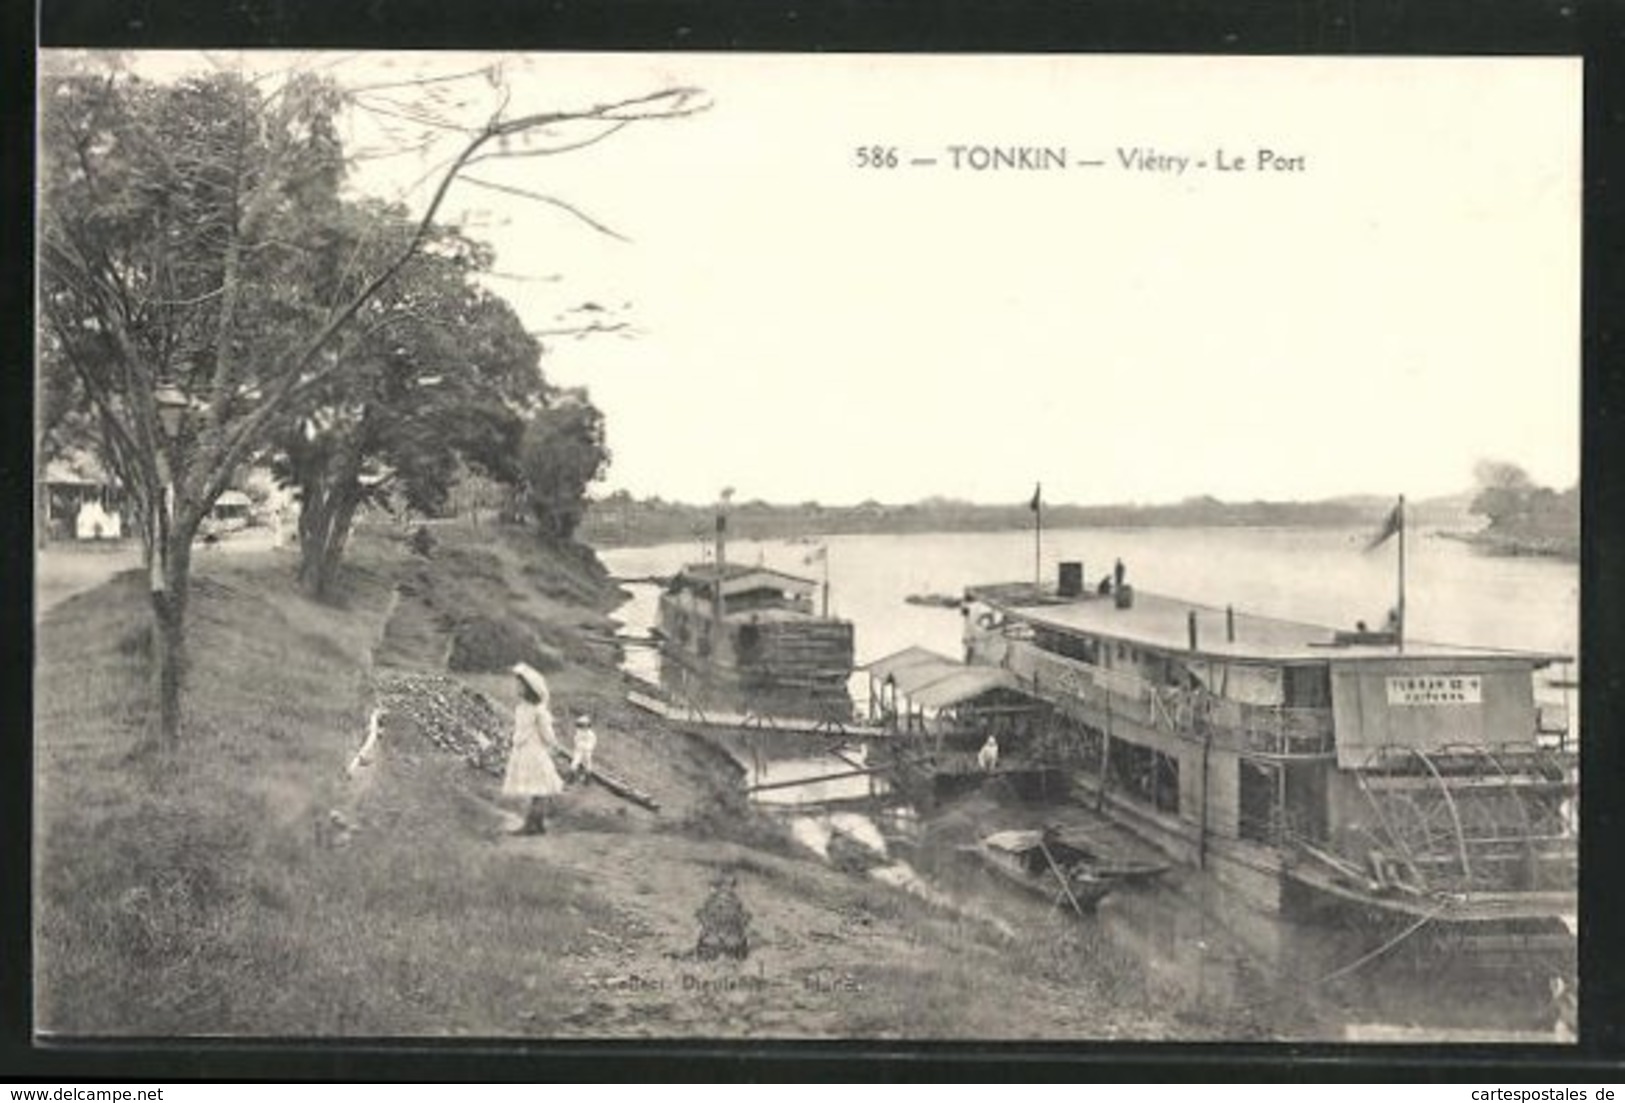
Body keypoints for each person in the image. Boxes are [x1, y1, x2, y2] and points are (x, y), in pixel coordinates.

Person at [504, 663, 565, 834]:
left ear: (530, 689)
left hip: (534, 752)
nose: (517, 688)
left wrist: (553, 744)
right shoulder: (522, 708)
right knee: (537, 789)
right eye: (517, 684)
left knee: (538, 789)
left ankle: (533, 824)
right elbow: (521, 729)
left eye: (521, 685)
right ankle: (536, 824)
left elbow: (547, 733)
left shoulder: (538, 711)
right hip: (524, 751)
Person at [569, 714, 598, 783]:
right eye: (581, 725)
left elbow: (593, 742)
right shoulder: (579, 732)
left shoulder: (591, 734)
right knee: (575, 762)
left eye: (584, 725)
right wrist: (577, 746)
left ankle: (587, 778)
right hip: (580, 749)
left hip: (587, 750)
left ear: (587, 725)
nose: (583, 727)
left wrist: (589, 748)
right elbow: (576, 740)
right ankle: (572, 776)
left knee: (587, 763)